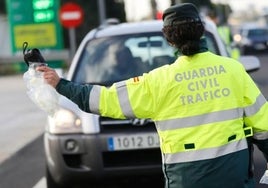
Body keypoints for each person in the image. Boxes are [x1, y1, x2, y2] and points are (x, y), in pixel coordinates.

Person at [35, 3, 268, 188]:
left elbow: (101, 99)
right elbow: (264, 127)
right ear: (201, 31)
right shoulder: (233, 70)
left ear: (169, 38)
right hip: (235, 179)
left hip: (186, 181)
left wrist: (60, 84)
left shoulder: (158, 81)